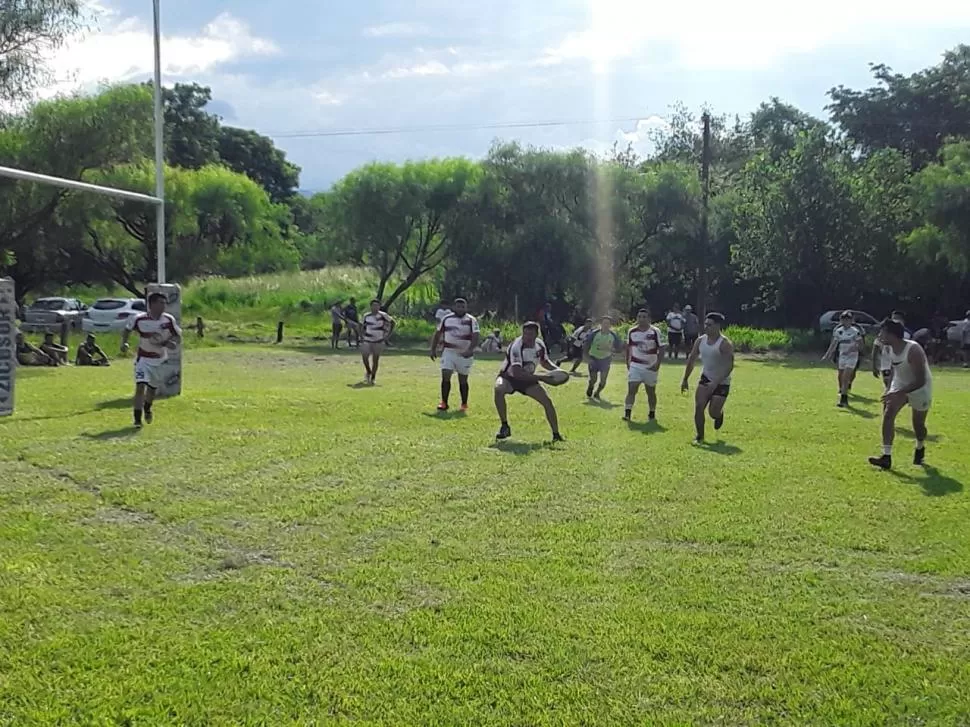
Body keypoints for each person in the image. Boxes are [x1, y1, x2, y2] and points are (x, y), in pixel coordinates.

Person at [868, 319, 933, 469]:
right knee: (888, 414)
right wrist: (890, 388)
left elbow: (920, 380)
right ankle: (886, 456)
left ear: (892, 335)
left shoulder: (914, 350)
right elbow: (893, 369)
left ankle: (920, 446)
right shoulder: (889, 348)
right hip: (900, 383)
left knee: (918, 425)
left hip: (920, 387)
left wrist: (898, 392)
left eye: (882, 332)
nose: (879, 336)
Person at [494, 321, 565, 442]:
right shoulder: (516, 346)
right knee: (498, 388)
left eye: (530, 334)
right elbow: (517, 373)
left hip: (528, 379)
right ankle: (505, 426)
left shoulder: (539, 345)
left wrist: (558, 371)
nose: (527, 337)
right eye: (525, 333)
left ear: (537, 334)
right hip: (509, 377)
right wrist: (543, 378)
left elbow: (545, 362)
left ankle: (556, 435)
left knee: (547, 402)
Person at [120, 292, 181, 428]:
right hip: (143, 359)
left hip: (159, 360)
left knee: (152, 389)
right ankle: (137, 419)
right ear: (152, 304)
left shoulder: (168, 320)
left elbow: (177, 336)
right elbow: (127, 329)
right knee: (140, 386)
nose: (164, 306)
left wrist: (170, 342)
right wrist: (124, 343)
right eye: (161, 303)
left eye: (165, 303)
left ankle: (147, 408)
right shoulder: (140, 319)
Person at [681, 312, 735, 443]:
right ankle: (700, 436)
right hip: (706, 379)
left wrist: (716, 382)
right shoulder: (700, 341)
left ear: (717, 326)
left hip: (722, 382)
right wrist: (685, 379)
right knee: (699, 406)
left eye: (709, 325)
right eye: (705, 324)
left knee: (713, 413)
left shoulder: (725, 344)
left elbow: (729, 366)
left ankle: (719, 415)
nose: (706, 327)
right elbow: (692, 359)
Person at [430, 297, 480, 412]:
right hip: (449, 352)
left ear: (466, 308)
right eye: (458, 306)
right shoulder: (446, 319)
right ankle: (444, 403)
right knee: (446, 374)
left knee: (463, 379)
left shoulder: (471, 320)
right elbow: (438, 333)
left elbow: (476, 336)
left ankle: (464, 403)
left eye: (463, 306)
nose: (460, 308)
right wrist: (433, 349)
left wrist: (470, 349)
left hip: (464, 354)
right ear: (454, 307)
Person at [624, 308, 664, 422]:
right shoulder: (632, 331)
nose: (641, 319)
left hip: (650, 366)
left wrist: (657, 364)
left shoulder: (655, 331)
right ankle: (627, 413)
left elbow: (662, 348)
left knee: (650, 391)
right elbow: (628, 347)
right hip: (636, 365)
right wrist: (628, 361)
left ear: (649, 319)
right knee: (632, 388)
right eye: (639, 317)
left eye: (644, 317)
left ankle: (652, 413)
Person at [822, 311, 864, 408]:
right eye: (843, 319)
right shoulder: (838, 331)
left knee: (845, 377)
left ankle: (844, 400)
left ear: (851, 321)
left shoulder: (855, 331)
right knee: (840, 376)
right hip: (842, 356)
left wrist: (853, 348)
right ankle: (843, 391)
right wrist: (827, 355)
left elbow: (861, 346)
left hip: (852, 357)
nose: (845, 322)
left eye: (848, 320)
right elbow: (833, 344)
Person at [583, 315, 623, 399]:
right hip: (594, 358)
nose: (606, 325)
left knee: (603, 381)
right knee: (593, 379)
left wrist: (613, 350)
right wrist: (587, 358)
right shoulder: (594, 334)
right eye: (604, 323)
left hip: (606, 359)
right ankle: (591, 386)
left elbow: (619, 347)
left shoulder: (613, 336)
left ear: (610, 325)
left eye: (608, 323)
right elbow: (586, 345)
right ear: (601, 324)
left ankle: (597, 392)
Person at [357, 299, 394, 385]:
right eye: (373, 305)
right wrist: (361, 335)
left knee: (375, 359)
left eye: (377, 305)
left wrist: (387, 335)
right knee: (365, 357)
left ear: (379, 306)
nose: (375, 307)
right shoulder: (366, 315)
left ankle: (373, 377)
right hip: (367, 339)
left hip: (378, 340)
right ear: (371, 306)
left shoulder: (383, 315)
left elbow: (393, 323)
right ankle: (368, 371)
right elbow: (360, 325)